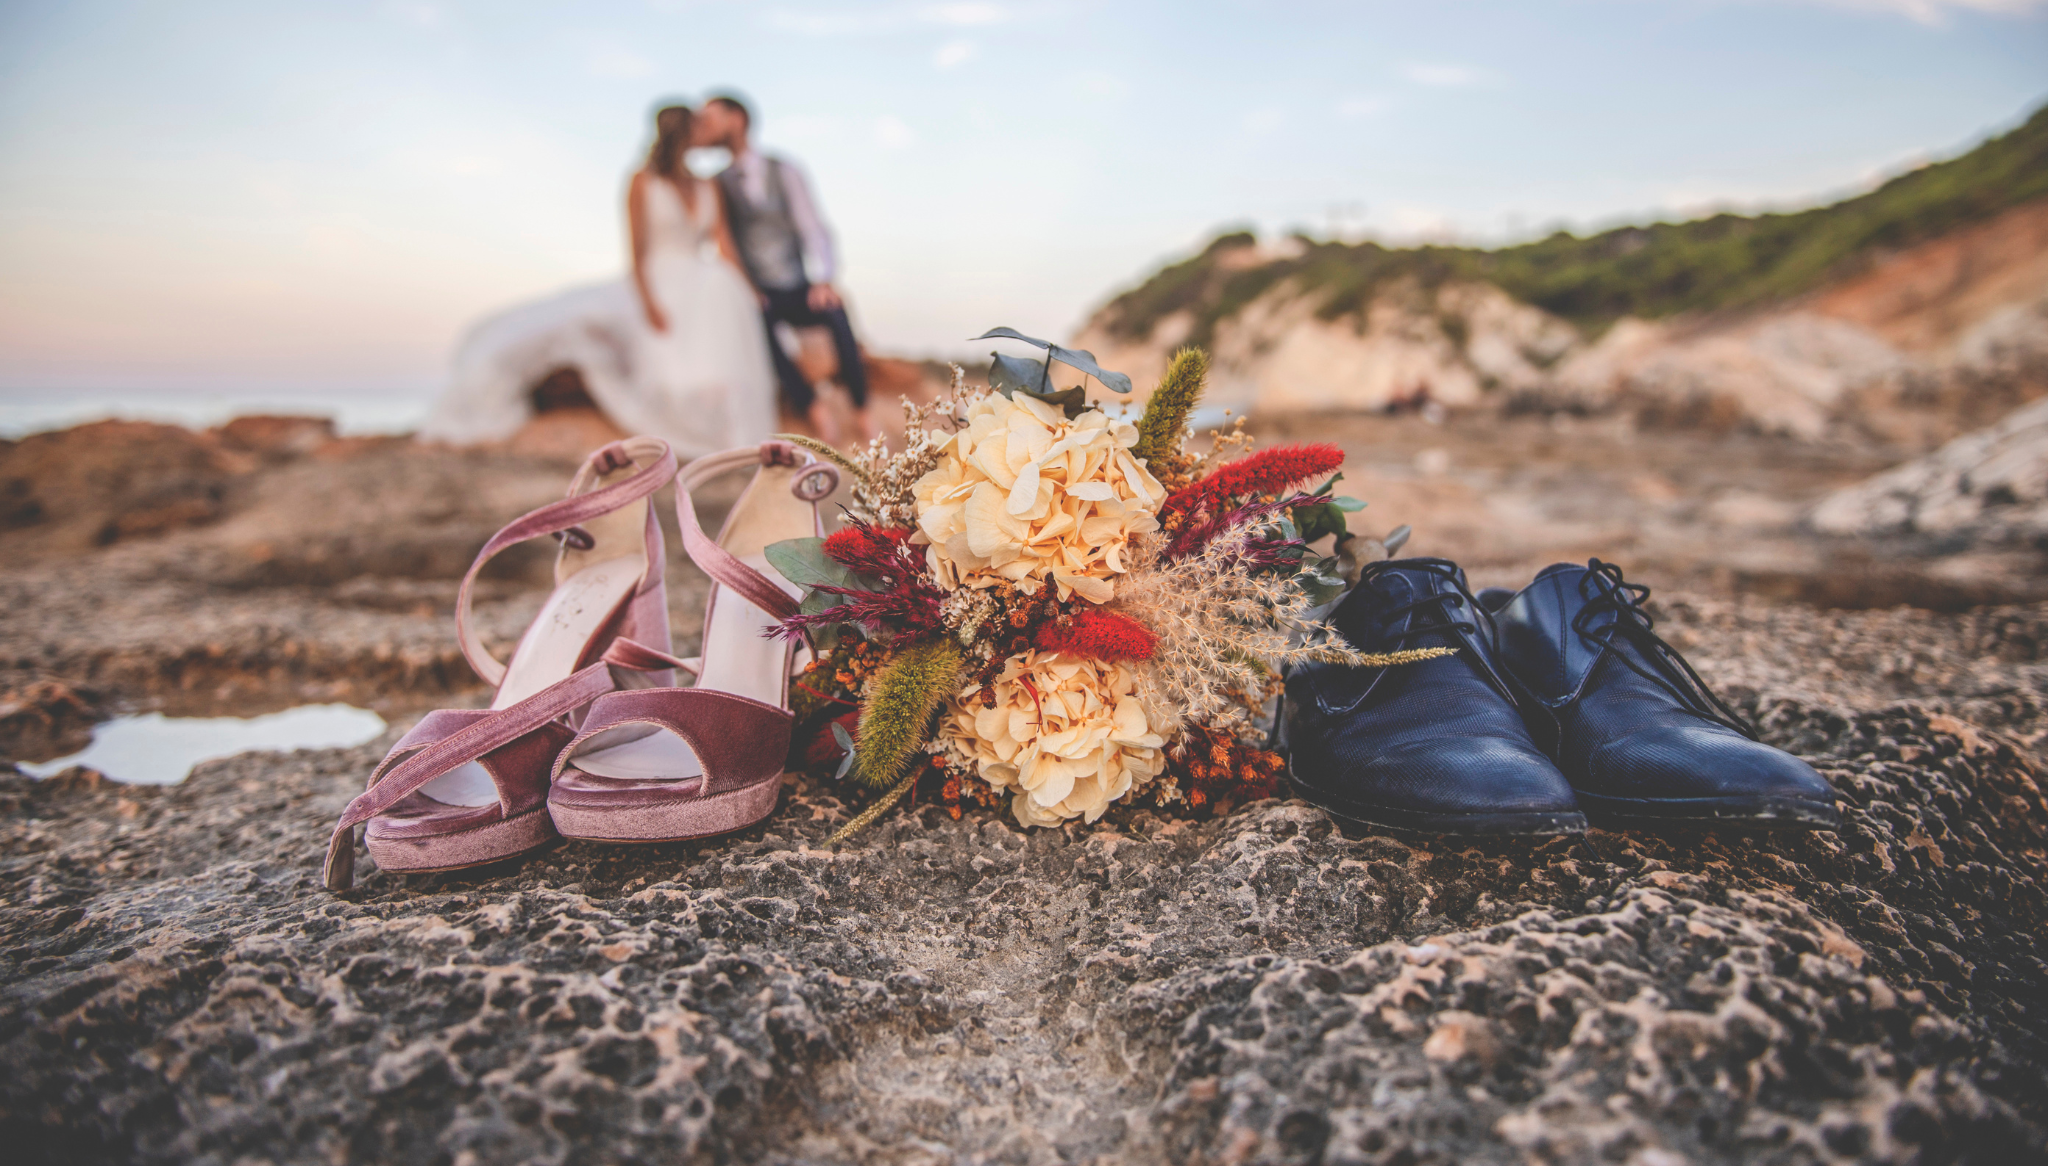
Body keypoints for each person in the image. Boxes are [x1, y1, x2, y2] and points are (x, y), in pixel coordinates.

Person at [421, 103, 775, 458]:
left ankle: (720, 414)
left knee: (722, 286)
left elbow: (723, 244)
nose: (705, 133)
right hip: (655, 280)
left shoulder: (707, 186)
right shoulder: (642, 180)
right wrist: (649, 303)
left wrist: (750, 288)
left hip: (699, 280)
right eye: (698, 126)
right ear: (684, 133)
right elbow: (637, 252)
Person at [695, 93, 876, 442]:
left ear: (737, 119)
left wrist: (824, 278)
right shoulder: (717, 184)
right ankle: (814, 409)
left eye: (711, 117)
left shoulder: (785, 169)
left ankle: (862, 410)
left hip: (797, 284)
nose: (705, 125)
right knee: (758, 324)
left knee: (837, 313)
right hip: (759, 292)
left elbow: (813, 226)